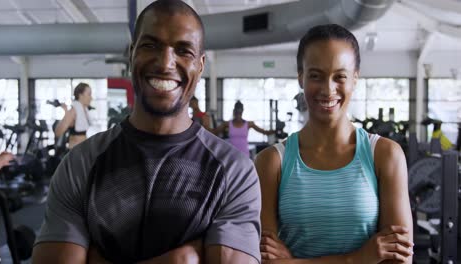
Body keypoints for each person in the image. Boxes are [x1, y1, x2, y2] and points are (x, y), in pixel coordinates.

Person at [32, 1, 261, 263]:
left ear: (200, 65)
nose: (165, 63)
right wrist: (182, 259)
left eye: (184, 50)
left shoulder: (235, 172)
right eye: (150, 45)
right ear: (131, 55)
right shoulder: (80, 164)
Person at [255, 24, 413, 264]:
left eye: (340, 76)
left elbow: (400, 260)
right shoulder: (271, 162)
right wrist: (358, 259)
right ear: (301, 77)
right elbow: (265, 260)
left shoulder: (385, 155)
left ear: (355, 78)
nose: (328, 89)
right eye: (316, 76)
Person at [54, 82, 93, 149]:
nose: (91, 98)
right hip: (75, 153)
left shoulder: (84, 110)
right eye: (89, 94)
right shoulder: (73, 111)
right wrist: (66, 113)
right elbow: (58, 132)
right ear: (80, 95)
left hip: (83, 152)